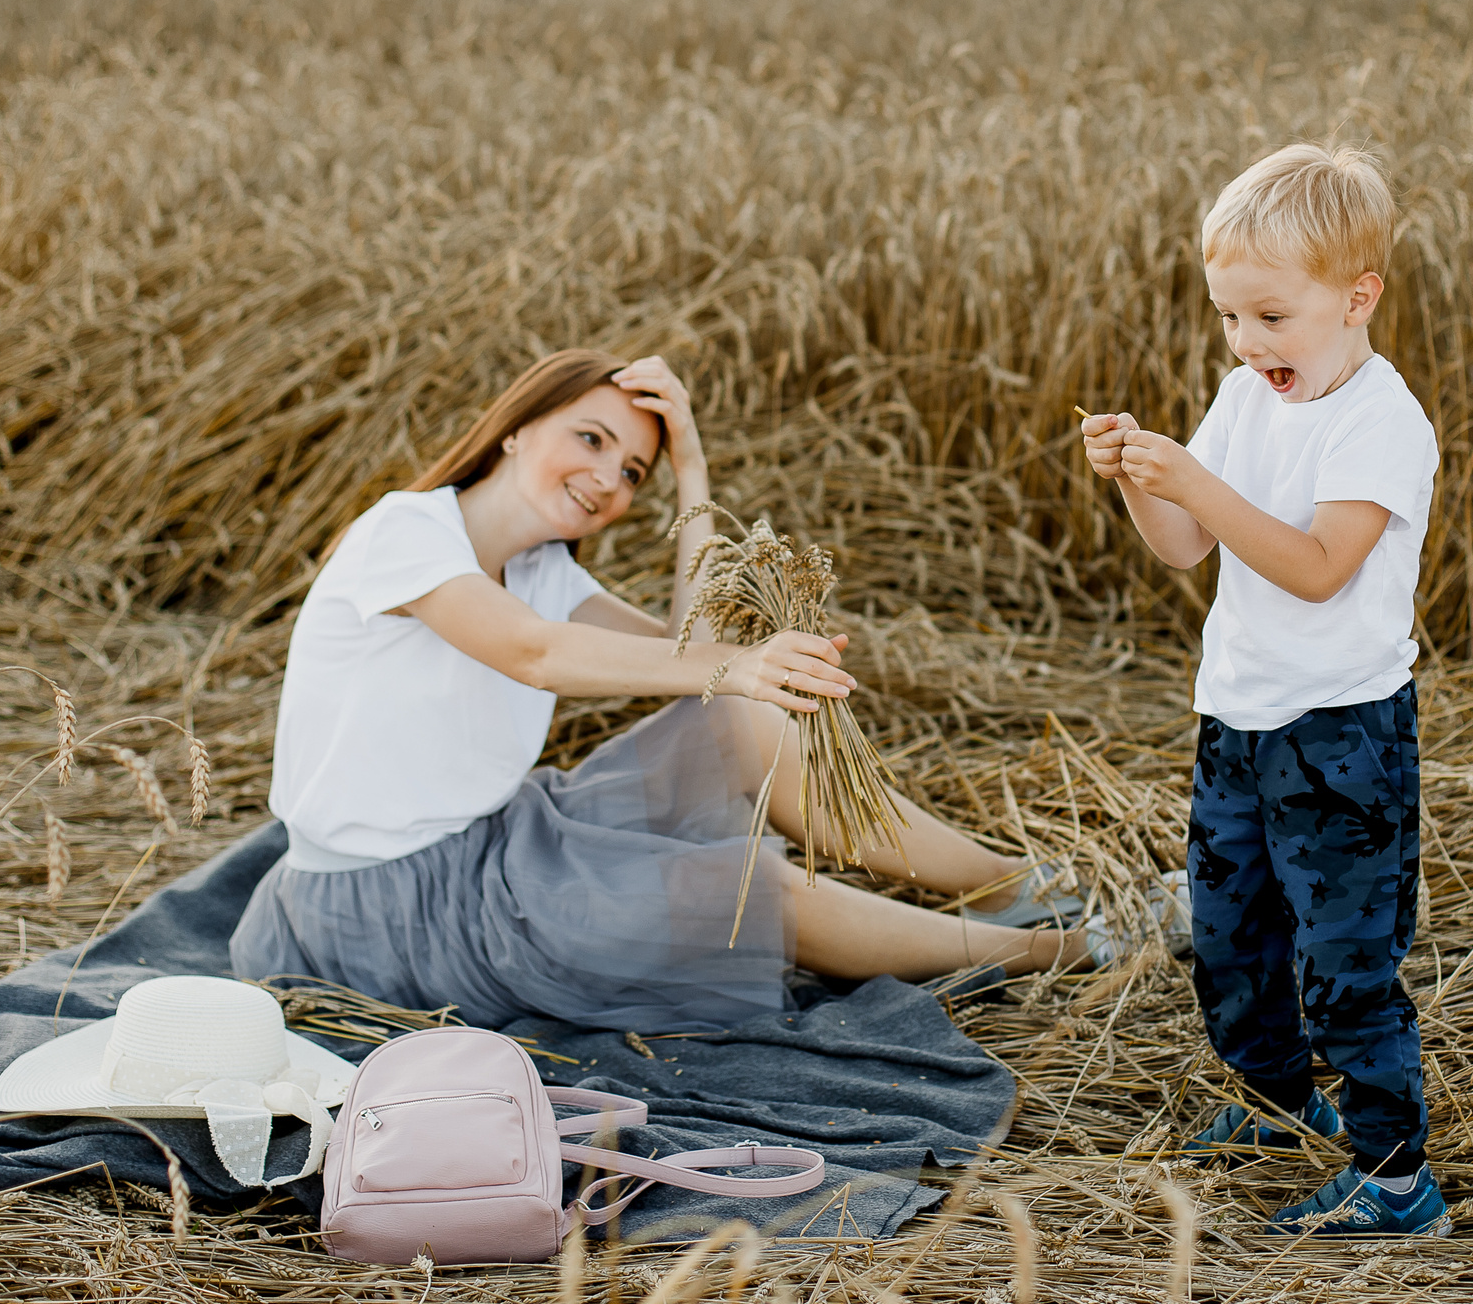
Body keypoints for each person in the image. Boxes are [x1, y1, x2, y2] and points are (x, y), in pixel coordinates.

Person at [232, 348, 1153, 1035]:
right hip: (390, 911)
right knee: (751, 889)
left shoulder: (544, 568)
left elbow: (696, 653)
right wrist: (735, 665)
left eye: (631, 469)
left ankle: (1022, 885)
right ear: (516, 427)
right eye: (589, 439)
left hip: (498, 840)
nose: (606, 477)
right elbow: (531, 653)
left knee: (745, 716)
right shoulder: (405, 530)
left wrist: (692, 470)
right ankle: (1060, 947)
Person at [1080, 143, 1448, 1239]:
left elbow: (1317, 566)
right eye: (1229, 319)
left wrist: (1192, 477)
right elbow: (1187, 548)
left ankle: (1392, 1176)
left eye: (1271, 318)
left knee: (1344, 960)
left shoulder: (1381, 422)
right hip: (1235, 718)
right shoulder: (1246, 397)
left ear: (1355, 299)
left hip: (1340, 732)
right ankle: (1275, 1101)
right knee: (1230, 939)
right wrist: (1146, 484)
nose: (1246, 344)